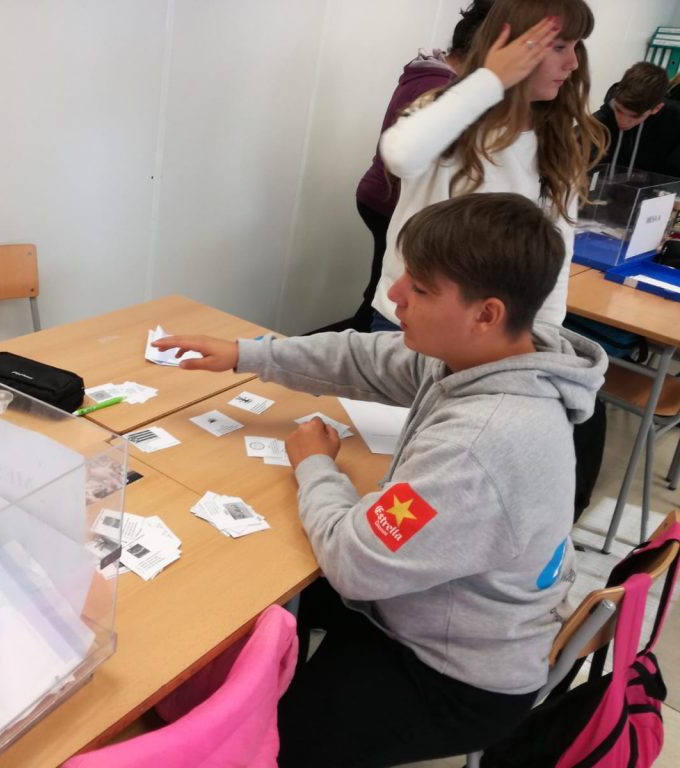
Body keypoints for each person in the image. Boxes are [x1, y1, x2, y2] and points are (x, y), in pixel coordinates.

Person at [152, 192, 608, 766]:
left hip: (451, 676)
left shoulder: (478, 447)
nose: (394, 295)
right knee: (245, 584)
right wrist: (248, 354)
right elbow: (365, 359)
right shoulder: (492, 356)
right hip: (422, 606)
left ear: (486, 314)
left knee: (266, 743)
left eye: (421, 289)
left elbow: (355, 562)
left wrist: (314, 463)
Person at [369, 0, 606, 332]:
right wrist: (492, 79)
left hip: (487, 334)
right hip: (408, 322)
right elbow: (401, 155)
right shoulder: (450, 113)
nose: (573, 62)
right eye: (559, 47)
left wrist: (545, 333)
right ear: (512, 48)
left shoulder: (556, 141)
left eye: (577, 46)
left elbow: (556, 249)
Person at [350, 0, 493, 332]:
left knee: (382, 288)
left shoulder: (431, 75)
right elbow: (408, 156)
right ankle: (359, 345)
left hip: (385, 195)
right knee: (386, 292)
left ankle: (360, 340)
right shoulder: (436, 86)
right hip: (388, 201)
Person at [592, 61, 680, 177]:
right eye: (618, 110)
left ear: (656, 108)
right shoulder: (602, 117)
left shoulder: (673, 121)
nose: (623, 121)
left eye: (635, 116)